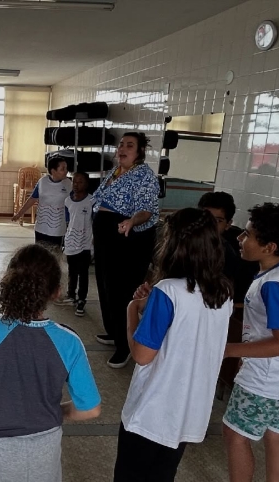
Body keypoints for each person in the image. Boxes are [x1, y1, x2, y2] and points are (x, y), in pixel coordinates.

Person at [0, 244, 101, 482]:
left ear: (8, 282)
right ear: (56, 292)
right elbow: (91, 408)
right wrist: (57, 411)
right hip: (45, 452)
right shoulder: (69, 341)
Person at [115, 208, 234, 482]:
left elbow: (142, 355)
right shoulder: (223, 291)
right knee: (163, 474)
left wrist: (133, 309)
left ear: (174, 245)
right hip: (188, 411)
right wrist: (151, 306)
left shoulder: (167, 291)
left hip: (152, 411)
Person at [222, 203, 279, 482]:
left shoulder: (274, 285)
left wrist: (228, 350)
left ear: (269, 247)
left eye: (248, 234)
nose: (240, 238)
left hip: (268, 379)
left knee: (235, 435)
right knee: (277, 437)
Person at [91, 132, 159, 369]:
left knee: (122, 290)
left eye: (129, 145)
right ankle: (114, 331)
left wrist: (131, 221)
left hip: (127, 237)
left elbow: (147, 211)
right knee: (105, 284)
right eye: (121, 144)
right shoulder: (116, 171)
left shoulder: (145, 175)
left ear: (140, 152)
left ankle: (125, 345)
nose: (122, 148)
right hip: (107, 236)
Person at [198, 191, 258, 301]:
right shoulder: (182, 243)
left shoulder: (235, 252)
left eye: (217, 221)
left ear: (228, 224)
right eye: (205, 218)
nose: (210, 225)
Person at [56, 172, 96, 317]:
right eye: (74, 182)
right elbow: (68, 221)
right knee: (72, 271)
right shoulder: (68, 201)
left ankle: (81, 300)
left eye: (80, 182)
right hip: (71, 242)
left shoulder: (92, 201)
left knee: (83, 272)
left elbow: (94, 222)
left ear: (87, 184)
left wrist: (93, 242)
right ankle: (71, 295)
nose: (76, 185)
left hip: (85, 243)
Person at [12, 156, 72, 247]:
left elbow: (73, 204)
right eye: (62, 169)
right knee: (40, 252)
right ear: (53, 171)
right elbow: (32, 199)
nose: (66, 171)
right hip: (41, 227)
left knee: (55, 253)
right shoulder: (43, 182)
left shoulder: (69, 184)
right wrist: (19, 214)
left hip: (58, 228)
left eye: (66, 168)